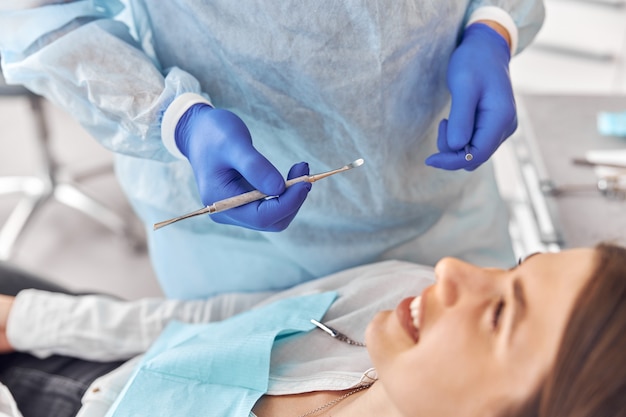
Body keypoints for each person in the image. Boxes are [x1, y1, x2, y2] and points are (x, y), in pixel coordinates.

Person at [0, 1, 545, 298]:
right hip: (238, 258)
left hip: (442, 209)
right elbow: (38, 18)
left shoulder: (459, 285)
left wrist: (493, 24)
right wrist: (174, 121)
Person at [0, 243, 624, 417]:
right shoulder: (394, 299)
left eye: (498, 314)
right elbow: (214, 321)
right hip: (100, 363)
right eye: (516, 266)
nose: (452, 269)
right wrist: (23, 319)